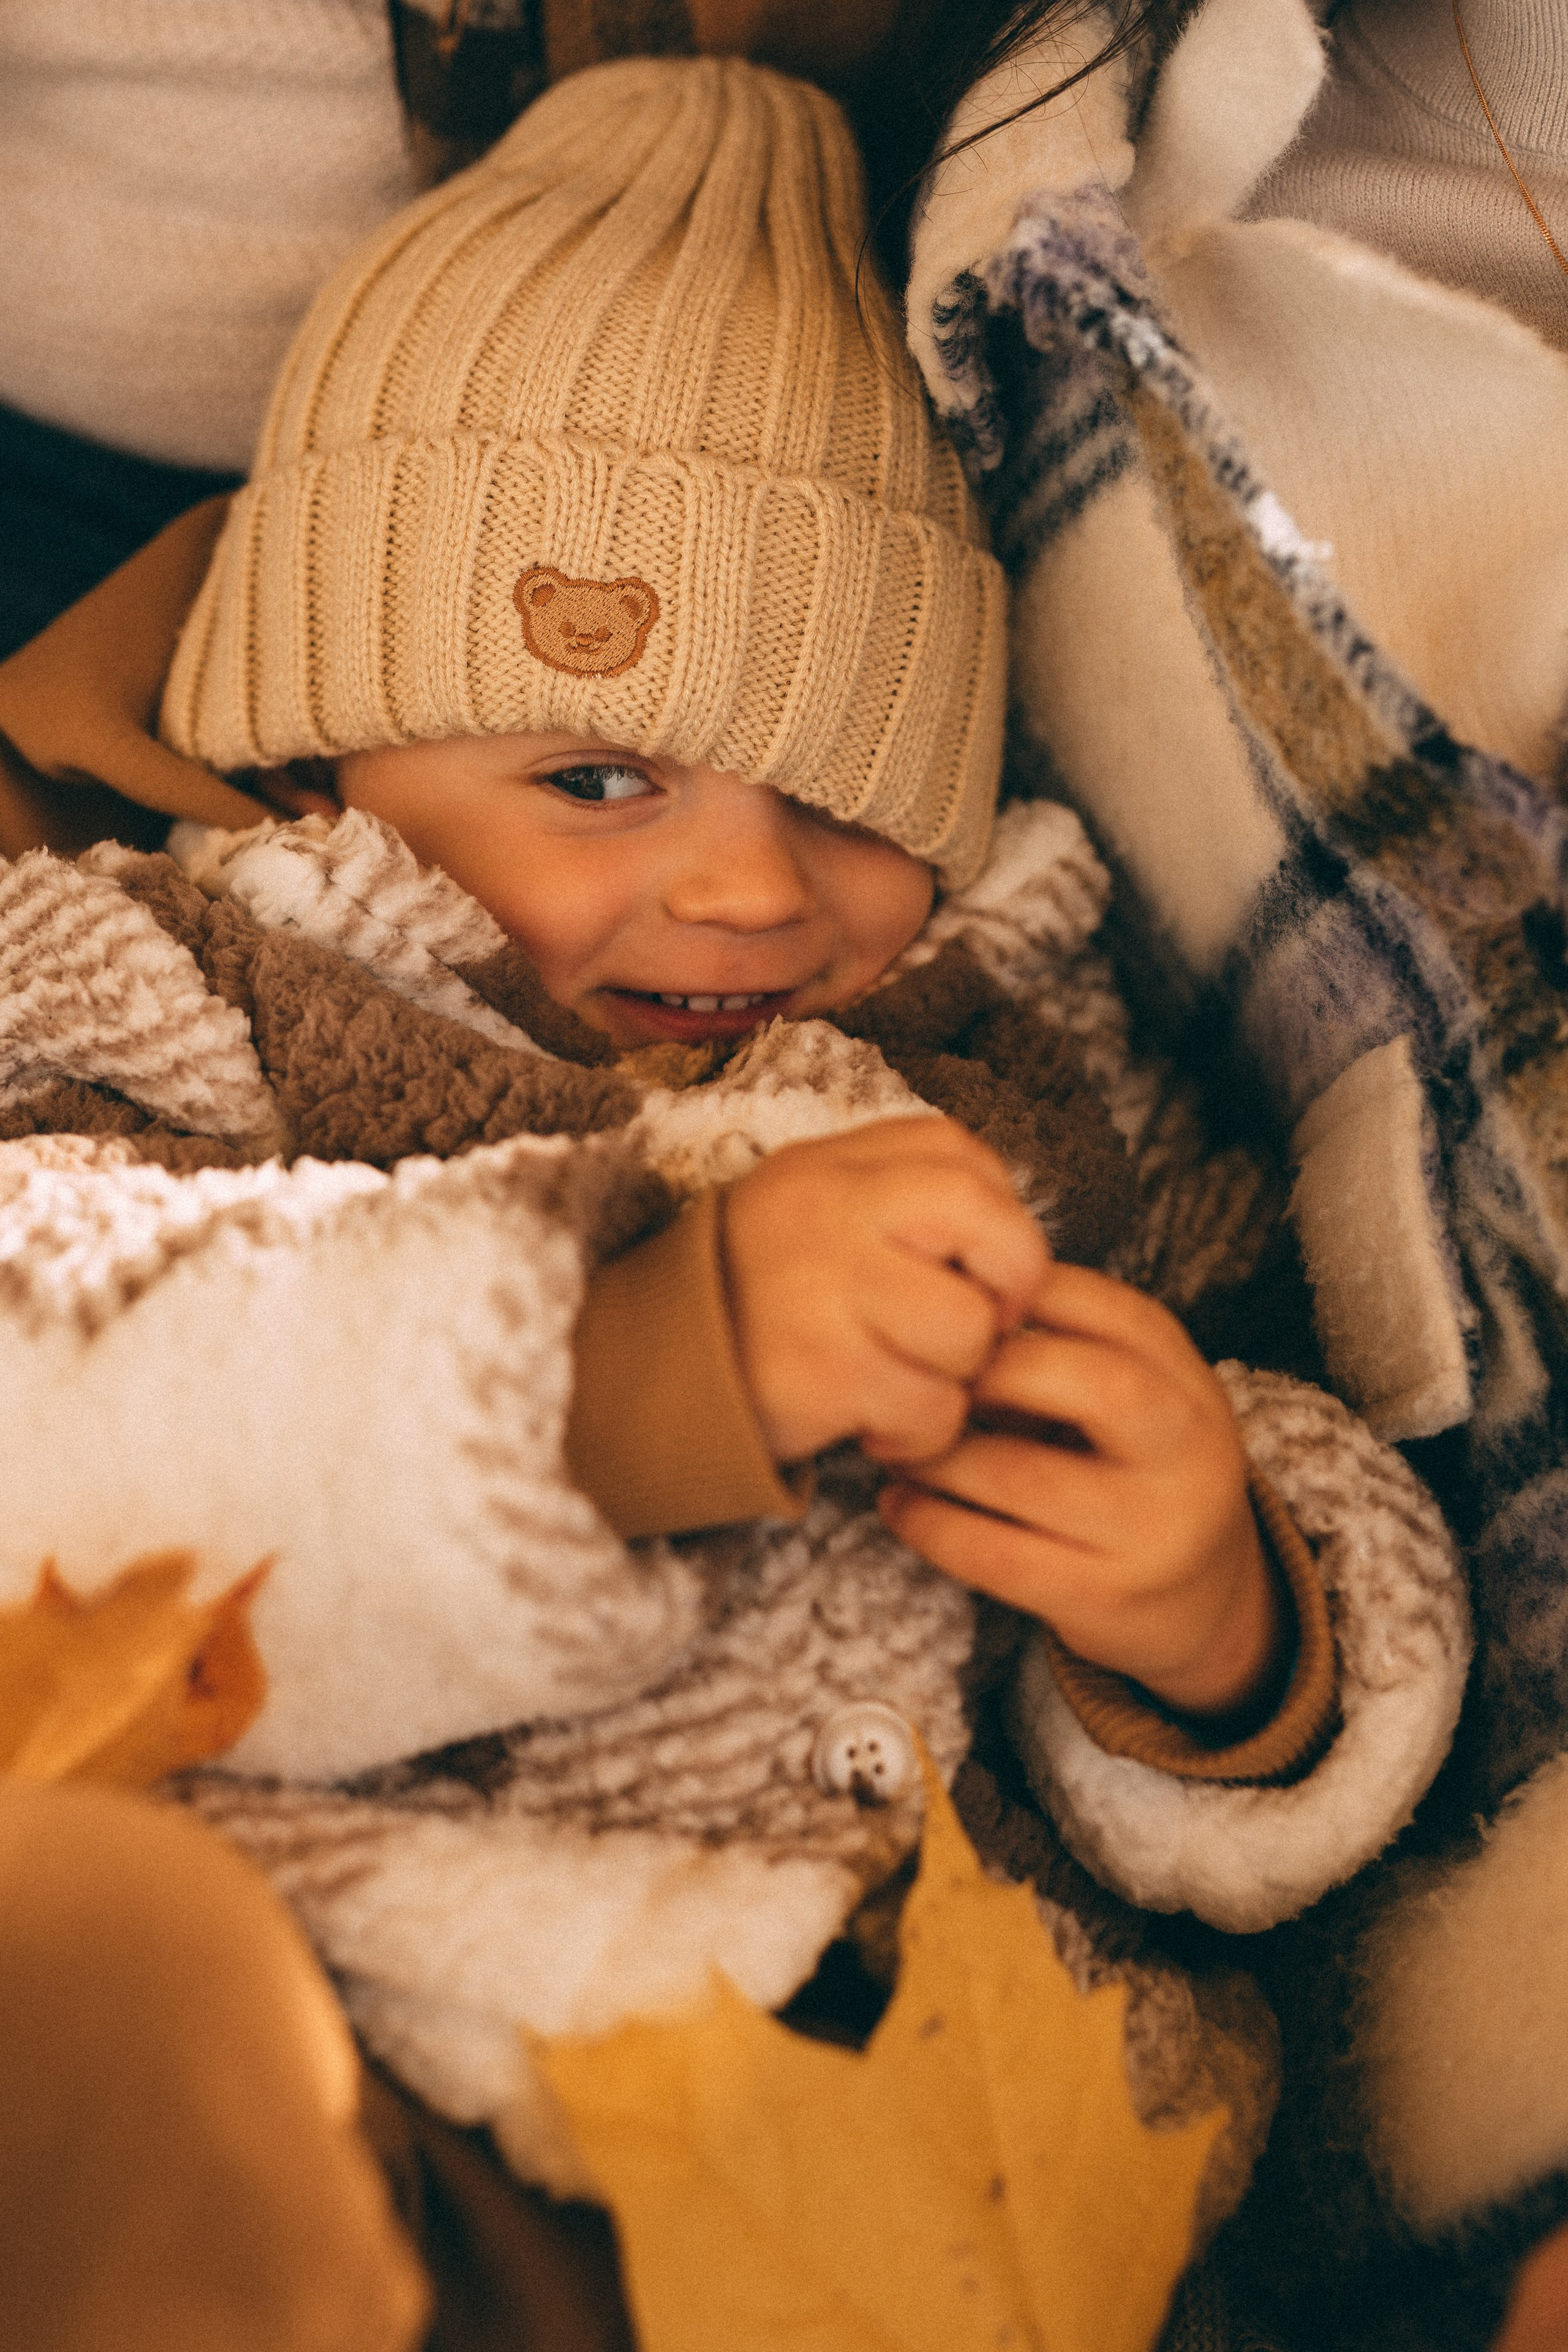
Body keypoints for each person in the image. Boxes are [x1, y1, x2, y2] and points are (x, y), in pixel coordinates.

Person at [0, 51, 1467, 2350]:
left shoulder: (1046, 1086)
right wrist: (615, 1381)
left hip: (952, 2186)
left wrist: (1234, 1634)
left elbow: (1277, 1412)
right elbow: (46, 1416)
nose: (742, 885)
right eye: (596, 774)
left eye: (850, 796)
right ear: (315, 742)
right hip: (398, 2058)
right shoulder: (164, 987)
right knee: (89, 1968)